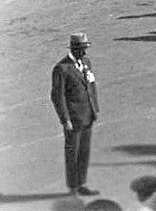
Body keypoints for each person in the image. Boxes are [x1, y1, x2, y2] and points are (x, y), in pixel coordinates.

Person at [50, 32, 100, 196]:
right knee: (73, 153)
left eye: (85, 48)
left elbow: (91, 86)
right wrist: (65, 119)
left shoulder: (86, 62)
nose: (84, 52)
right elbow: (57, 96)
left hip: (87, 115)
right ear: (73, 49)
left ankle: (81, 183)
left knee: (84, 151)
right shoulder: (61, 68)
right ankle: (73, 187)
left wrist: (94, 109)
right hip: (73, 118)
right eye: (81, 49)